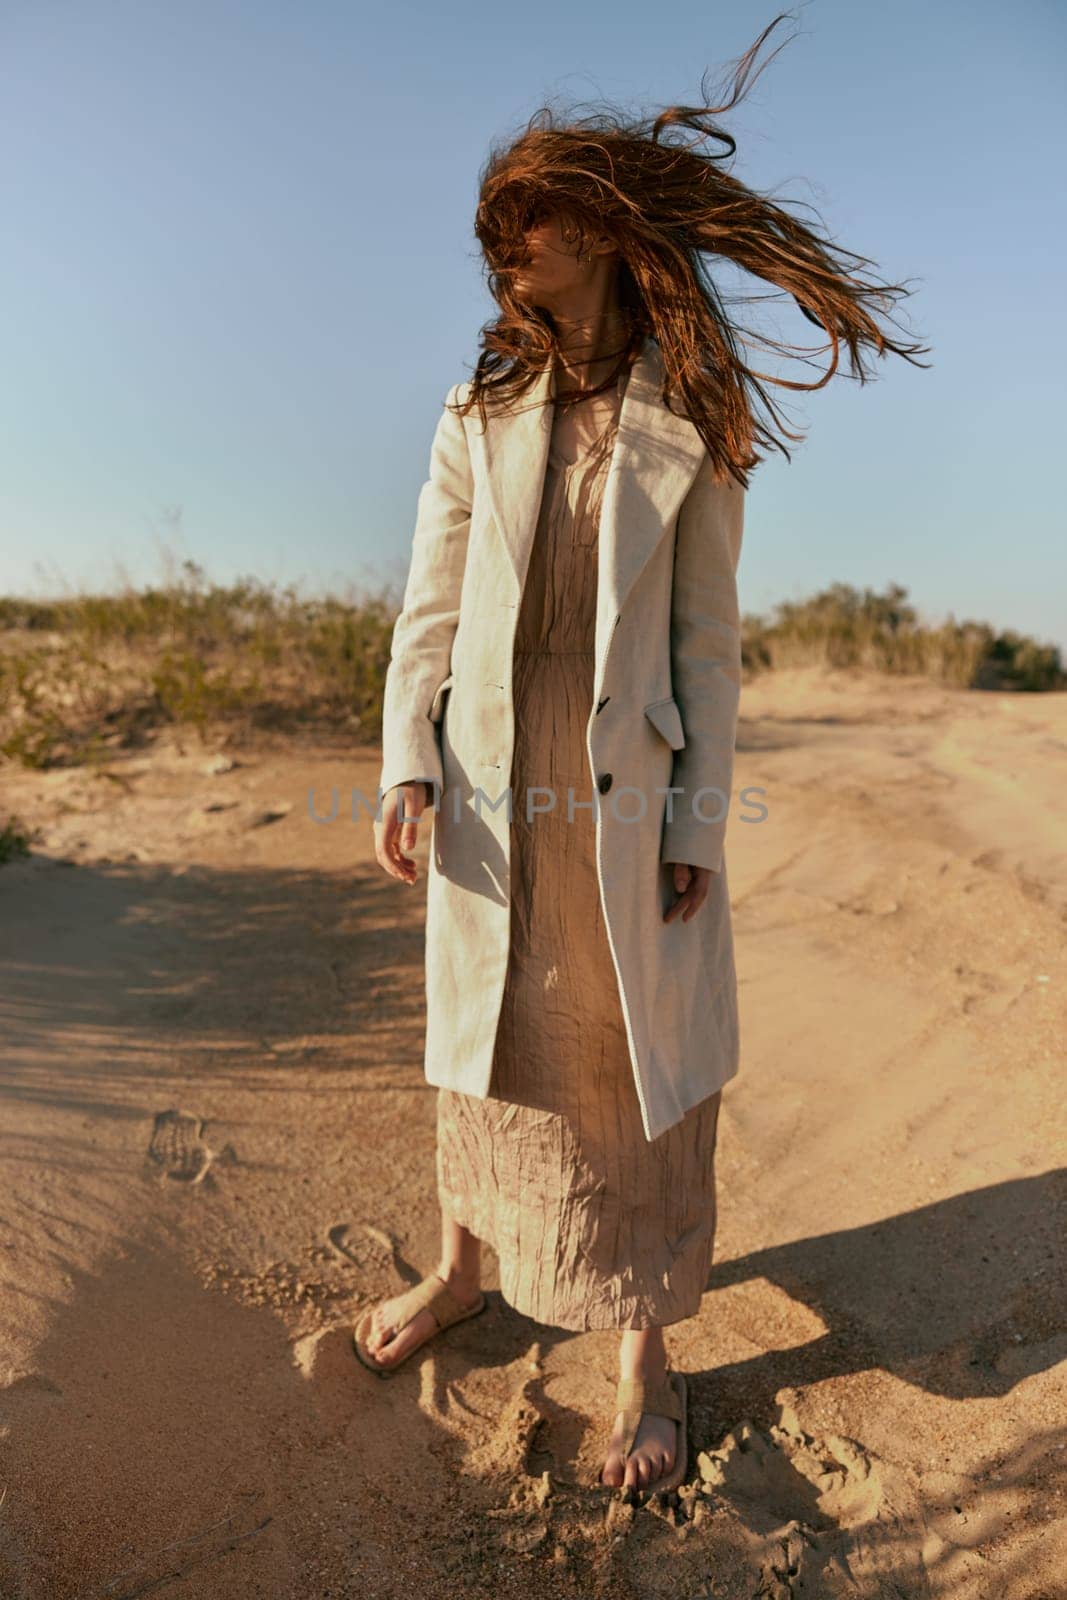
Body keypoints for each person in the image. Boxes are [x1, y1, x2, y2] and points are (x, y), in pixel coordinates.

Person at [355, 13, 929, 1496]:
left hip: (624, 789)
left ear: (601, 232)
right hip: (492, 774)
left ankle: (644, 1355)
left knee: (627, 1071)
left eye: (526, 237)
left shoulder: (695, 413)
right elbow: (427, 603)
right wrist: (404, 764)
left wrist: (697, 829)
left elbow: (705, 648)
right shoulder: (478, 401)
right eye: (496, 247)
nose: (506, 265)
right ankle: (466, 1263)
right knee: (484, 1047)